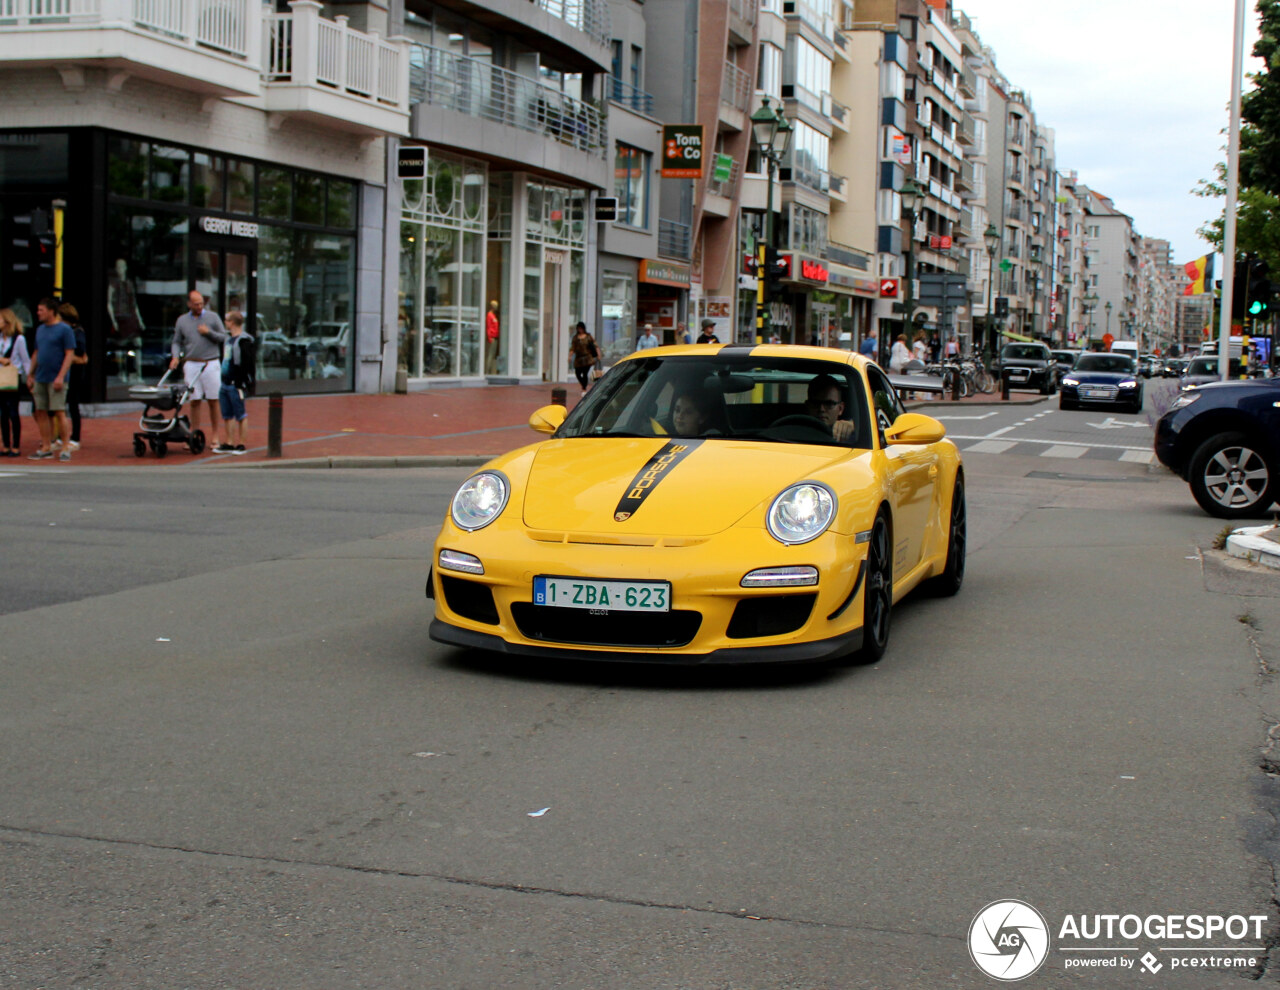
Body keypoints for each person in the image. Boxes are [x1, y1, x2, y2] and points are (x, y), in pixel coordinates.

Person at [169, 289, 227, 451]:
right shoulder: (182, 321)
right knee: (194, 400)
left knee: (213, 400)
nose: (200, 306)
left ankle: (215, 435)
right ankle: (194, 433)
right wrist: (175, 356)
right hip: (192, 363)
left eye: (201, 303)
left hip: (210, 363)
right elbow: (176, 341)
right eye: (196, 304)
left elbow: (223, 337)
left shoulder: (213, 317)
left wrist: (208, 332)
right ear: (189, 304)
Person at [25, 297, 77, 461]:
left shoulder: (64, 330)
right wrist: (30, 374)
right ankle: (46, 446)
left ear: (51, 311)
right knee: (41, 411)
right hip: (41, 376)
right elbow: (36, 352)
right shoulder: (40, 329)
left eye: (41, 310)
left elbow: (70, 354)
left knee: (59, 411)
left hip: (56, 377)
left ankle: (65, 447)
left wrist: (61, 376)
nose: (38, 313)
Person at [216, 311, 256, 454]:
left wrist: (242, 382)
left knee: (240, 414)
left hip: (235, 383)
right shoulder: (228, 339)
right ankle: (229, 442)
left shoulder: (244, 341)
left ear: (232, 322)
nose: (225, 323)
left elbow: (247, 364)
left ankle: (241, 443)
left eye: (227, 320)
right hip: (225, 381)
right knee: (227, 414)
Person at [52, 301, 87, 453]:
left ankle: (75, 438)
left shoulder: (77, 332)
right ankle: (62, 436)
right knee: (62, 405)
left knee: (73, 403)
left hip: (75, 374)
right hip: (67, 372)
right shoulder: (66, 331)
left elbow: (80, 352)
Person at [0, 307, 30, 457]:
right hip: (0, 377)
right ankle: (5, 445)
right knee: (2, 413)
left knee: (13, 412)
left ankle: (16, 446)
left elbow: (25, 360)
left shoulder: (19, 339)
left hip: (13, 377)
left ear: (7, 321)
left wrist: (29, 377)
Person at [804, 374, 857, 442]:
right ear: (808, 406)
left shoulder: (853, 435)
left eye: (829, 404)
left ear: (840, 409)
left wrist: (855, 427)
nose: (821, 409)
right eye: (815, 403)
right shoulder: (793, 430)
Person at [568, 320, 598, 394]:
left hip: (587, 358)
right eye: (578, 329)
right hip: (579, 359)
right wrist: (570, 356)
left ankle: (584, 388)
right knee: (578, 373)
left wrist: (598, 355)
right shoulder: (575, 338)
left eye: (581, 328)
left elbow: (595, 345)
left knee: (585, 373)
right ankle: (583, 385)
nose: (580, 330)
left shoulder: (588, 336)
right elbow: (572, 348)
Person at [485, 300, 500, 374]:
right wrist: (489, 337)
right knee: (490, 355)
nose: (496, 307)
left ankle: (491, 371)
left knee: (493, 355)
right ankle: (487, 370)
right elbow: (488, 326)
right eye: (495, 305)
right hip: (492, 337)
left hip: (495, 337)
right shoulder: (489, 315)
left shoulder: (494, 315)